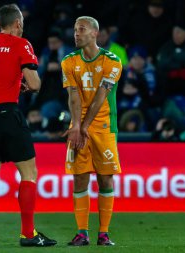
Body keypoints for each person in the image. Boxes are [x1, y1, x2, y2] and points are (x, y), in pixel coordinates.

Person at [0, 4, 56, 247]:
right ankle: (28, 235)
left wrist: (8, 82)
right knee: (29, 173)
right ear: (18, 23)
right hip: (8, 113)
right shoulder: (22, 44)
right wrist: (22, 83)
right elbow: (35, 84)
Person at [61, 16, 123, 246]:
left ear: (95, 33)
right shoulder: (68, 62)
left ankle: (104, 233)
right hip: (78, 126)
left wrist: (84, 127)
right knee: (80, 179)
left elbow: (101, 97)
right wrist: (76, 127)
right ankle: (82, 233)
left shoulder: (112, 60)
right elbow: (73, 97)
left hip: (104, 126)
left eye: (82, 29)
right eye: (75, 29)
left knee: (105, 179)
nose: (76, 33)